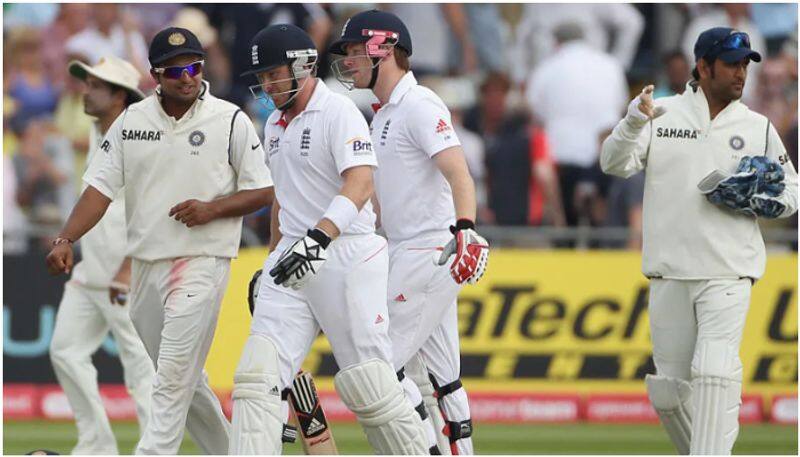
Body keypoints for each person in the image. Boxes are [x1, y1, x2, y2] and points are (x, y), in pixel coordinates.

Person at [45, 27, 274, 454]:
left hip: (202, 261)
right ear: (155, 75)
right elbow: (98, 189)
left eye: (194, 67)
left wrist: (212, 209)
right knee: (186, 381)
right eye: (175, 71)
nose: (187, 77)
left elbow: (264, 189)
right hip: (147, 268)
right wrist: (65, 238)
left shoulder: (230, 119)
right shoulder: (132, 121)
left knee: (169, 378)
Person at [229, 23, 427, 455]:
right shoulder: (276, 127)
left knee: (369, 384)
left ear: (303, 66)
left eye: (273, 74)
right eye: (261, 77)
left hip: (346, 253)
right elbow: (284, 199)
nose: (266, 84)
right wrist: (272, 260)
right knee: (256, 378)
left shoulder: (338, 111)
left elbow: (360, 182)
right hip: (293, 259)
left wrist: (319, 237)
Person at [600, 27, 797, 454]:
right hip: (669, 272)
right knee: (668, 393)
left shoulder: (758, 126)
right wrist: (633, 119)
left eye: (745, 64)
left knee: (714, 370)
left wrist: (756, 198)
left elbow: (791, 194)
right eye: (731, 64)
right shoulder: (662, 114)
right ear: (703, 66)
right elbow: (613, 163)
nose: (740, 73)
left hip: (728, 270)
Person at [330, 10, 489, 454]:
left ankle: (420, 450)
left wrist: (466, 231)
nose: (348, 61)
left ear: (383, 48)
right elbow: (380, 200)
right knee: (443, 376)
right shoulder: (381, 115)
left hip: (430, 249)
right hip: (404, 249)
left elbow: (460, 174)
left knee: (377, 368)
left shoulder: (420, 104)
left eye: (355, 52)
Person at [48, 56, 153, 455]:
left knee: (140, 369)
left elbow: (151, 210)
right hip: (93, 271)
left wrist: (127, 268)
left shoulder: (141, 137)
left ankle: (153, 449)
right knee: (65, 349)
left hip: (128, 275)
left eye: (94, 85)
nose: (84, 91)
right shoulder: (97, 130)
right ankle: (96, 445)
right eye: (86, 83)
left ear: (119, 96)